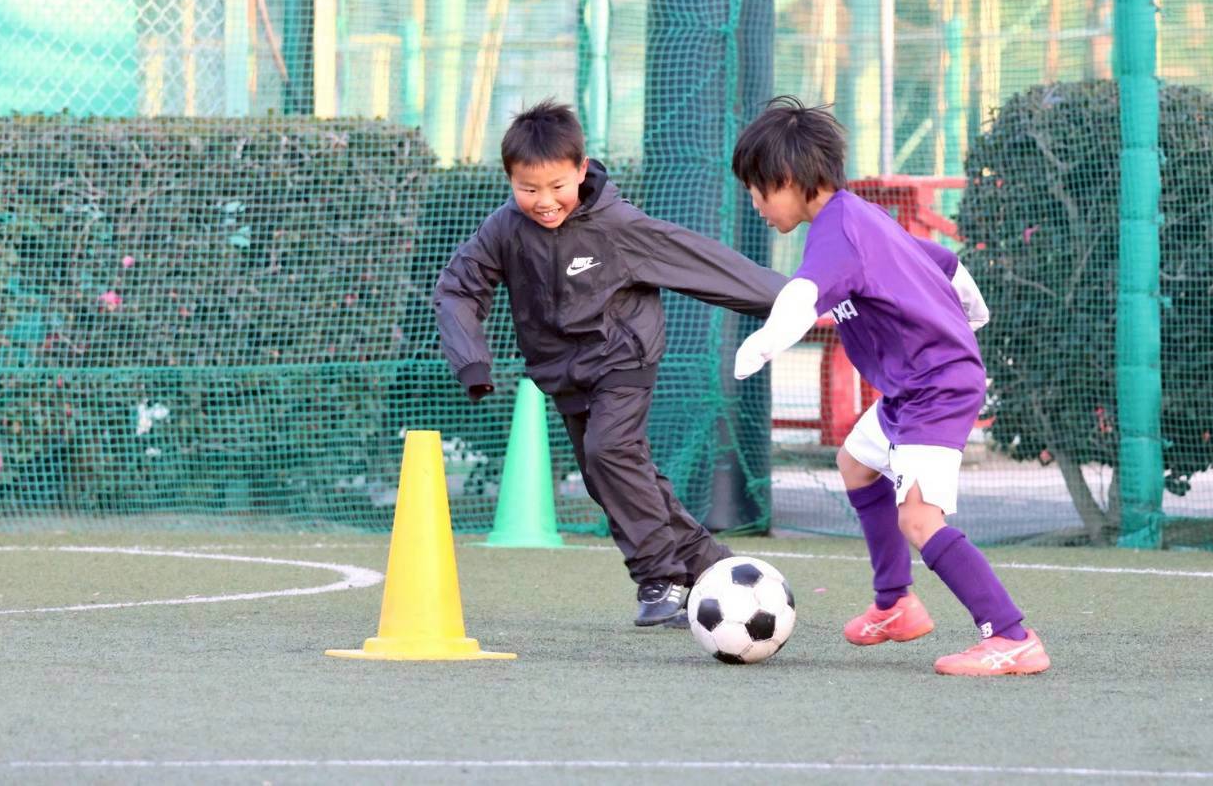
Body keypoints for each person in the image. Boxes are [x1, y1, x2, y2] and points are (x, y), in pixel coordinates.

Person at [434, 99, 787, 627]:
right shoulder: (503, 230)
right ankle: (711, 566)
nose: (545, 201)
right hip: (561, 372)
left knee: (610, 451)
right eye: (528, 189)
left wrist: (797, 298)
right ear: (509, 180)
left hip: (623, 358)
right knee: (612, 475)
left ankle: (660, 577)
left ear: (581, 169)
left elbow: (703, 263)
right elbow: (457, 289)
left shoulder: (618, 226)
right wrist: (472, 362)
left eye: (556, 186)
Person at [730, 96, 1050, 676]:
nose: (754, 203)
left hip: (936, 386)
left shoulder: (837, 236)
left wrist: (762, 345)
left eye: (757, 189)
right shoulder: (858, 216)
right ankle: (896, 603)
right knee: (855, 463)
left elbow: (801, 297)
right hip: (915, 385)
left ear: (788, 179)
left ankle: (1012, 635)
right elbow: (942, 263)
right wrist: (973, 314)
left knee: (919, 519)